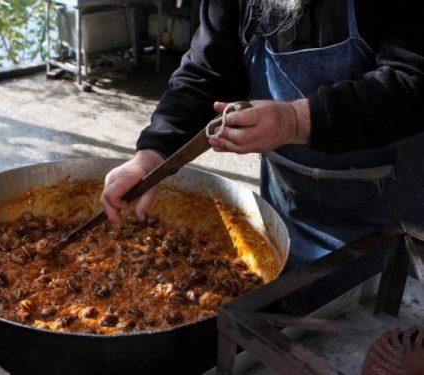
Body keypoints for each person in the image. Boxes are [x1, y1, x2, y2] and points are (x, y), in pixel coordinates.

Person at [99, 0, 424, 311]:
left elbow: (412, 80)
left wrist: (295, 120)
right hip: (287, 211)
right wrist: (152, 155)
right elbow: (207, 73)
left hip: (390, 224)